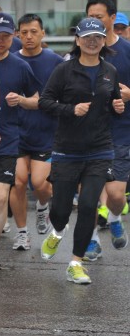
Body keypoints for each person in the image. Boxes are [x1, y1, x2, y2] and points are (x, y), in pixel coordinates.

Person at [39, 17, 124, 284]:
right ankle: (56, 232)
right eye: (87, 36)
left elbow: (111, 103)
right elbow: (45, 102)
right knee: (61, 211)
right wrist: (70, 110)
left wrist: (117, 108)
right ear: (77, 40)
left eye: (97, 37)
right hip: (66, 151)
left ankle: (76, 263)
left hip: (99, 150)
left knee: (88, 205)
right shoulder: (64, 70)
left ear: (103, 41)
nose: (92, 41)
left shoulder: (109, 70)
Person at [0, 12, 40, 269]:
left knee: (1, 196)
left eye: (5, 36)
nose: (0, 41)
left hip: (6, 141)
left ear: (13, 36)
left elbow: (38, 100)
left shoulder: (20, 66)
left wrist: (22, 101)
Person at [9, 14, 64, 250]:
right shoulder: (10, 60)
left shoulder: (55, 61)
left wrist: (30, 101)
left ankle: (43, 208)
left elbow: (59, 97)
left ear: (43, 33)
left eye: (33, 31)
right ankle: (22, 233)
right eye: (24, 32)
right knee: (18, 182)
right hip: (16, 132)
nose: (29, 37)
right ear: (18, 35)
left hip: (46, 133)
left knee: (40, 184)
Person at [83, 0, 130, 260]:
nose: (94, 21)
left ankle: (114, 217)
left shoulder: (127, 51)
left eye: (99, 16)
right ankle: (90, 241)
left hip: (121, 131)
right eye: (90, 15)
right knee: (88, 192)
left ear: (113, 18)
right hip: (87, 133)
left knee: (115, 195)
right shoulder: (82, 51)